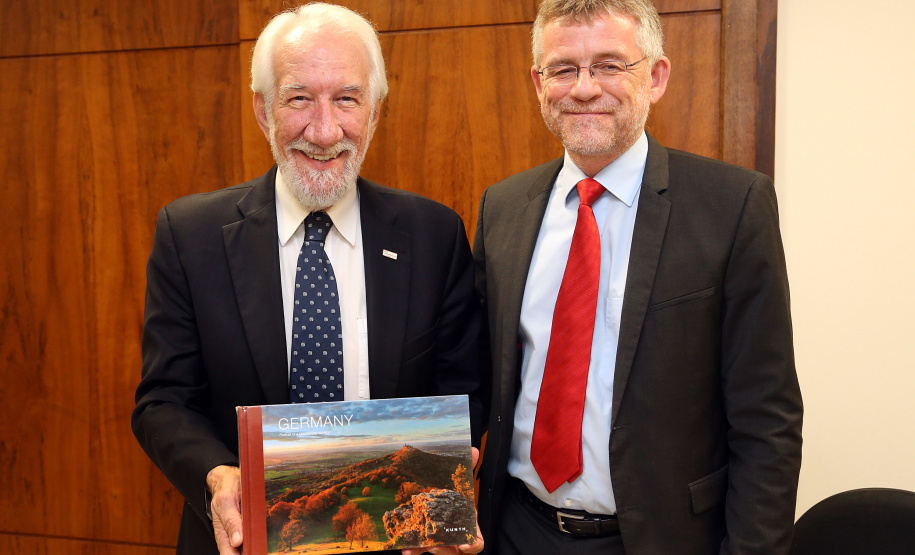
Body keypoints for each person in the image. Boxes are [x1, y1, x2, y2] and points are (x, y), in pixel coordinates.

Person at [132, 4, 485, 554]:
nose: (324, 131)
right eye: (299, 98)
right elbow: (163, 401)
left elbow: (464, 388)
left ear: (374, 112)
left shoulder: (434, 235)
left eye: (346, 99)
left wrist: (447, 467)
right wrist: (216, 476)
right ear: (262, 110)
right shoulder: (191, 235)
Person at [473, 0, 803, 553]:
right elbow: (476, 375)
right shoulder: (503, 207)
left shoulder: (733, 206)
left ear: (655, 77)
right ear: (538, 83)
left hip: (659, 539)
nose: (584, 89)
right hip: (516, 530)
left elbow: (767, 419)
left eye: (609, 65)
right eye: (563, 69)